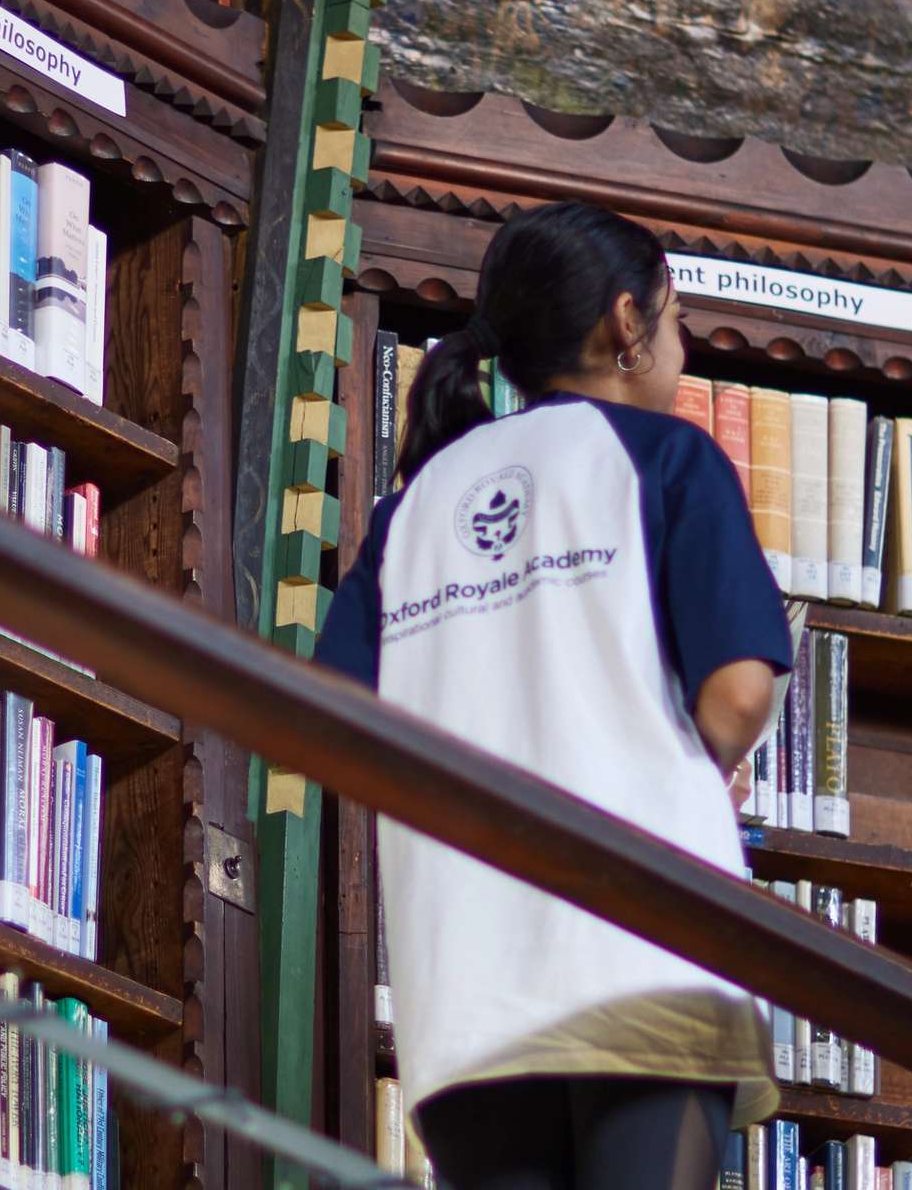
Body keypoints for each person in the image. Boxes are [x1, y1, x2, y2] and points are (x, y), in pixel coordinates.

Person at [313, 201, 789, 1190]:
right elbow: (740, 691)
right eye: (676, 315)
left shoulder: (413, 507)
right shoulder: (668, 457)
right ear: (626, 322)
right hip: (643, 940)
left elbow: (334, 727)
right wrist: (671, 767)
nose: (682, 347)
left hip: (468, 973)